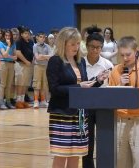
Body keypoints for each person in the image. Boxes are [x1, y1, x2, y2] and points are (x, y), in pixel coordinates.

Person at [46, 27, 108, 168]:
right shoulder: (55, 61)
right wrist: (79, 87)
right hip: (62, 113)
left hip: (80, 114)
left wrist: (97, 80)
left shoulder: (80, 62)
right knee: (61, 154)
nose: (76, 47)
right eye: (72, 44)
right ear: (63, 44)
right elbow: (54, 89)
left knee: (76, 154)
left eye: (78, 43)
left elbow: (84, 86)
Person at [108, 36, 139, 168]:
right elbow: (110, 97)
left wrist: (133, 99)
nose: (125, 58)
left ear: (136, 51)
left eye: (128, 54)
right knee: (121, 162)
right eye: (122, 55)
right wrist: (119, 85)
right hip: (121, 121)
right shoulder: (115, 71)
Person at [82, 26, 113, 168]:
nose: (95, 50)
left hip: (103, 108)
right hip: (85, 108)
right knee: (87, 145)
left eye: (98, 47)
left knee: (105, 142)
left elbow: (112, 87)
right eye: (92, 47)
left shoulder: (108, 64)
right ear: (86, 46)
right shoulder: (80, 63)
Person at [0, 29, 17, 109]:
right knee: (3, 84)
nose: (8, 37)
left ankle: (8, 101)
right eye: (6, 35)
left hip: (11, 65)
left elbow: (15, 57)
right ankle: (1, 102)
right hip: (3, 64)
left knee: (9, 85)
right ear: (3, 36)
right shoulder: (0, 43)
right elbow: (4, 55)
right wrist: (8, 46)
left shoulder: (14, 43)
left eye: (9, 36)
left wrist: (8, 56)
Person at [15, 26, 34, 109]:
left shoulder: (31, 42)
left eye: (28, 33)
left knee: (25, 84)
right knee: (20, 83)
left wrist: (31, 62)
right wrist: (26, 61)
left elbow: (33, 53)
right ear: (21, 34)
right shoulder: (19, 42)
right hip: (20, 64)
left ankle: (23, 101)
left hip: (29, 65)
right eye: (25, 33)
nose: (27, 35)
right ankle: (18, 101)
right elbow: (18, 53)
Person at [32, 31, 51, 108]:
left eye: (43, 37)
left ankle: (43, 101)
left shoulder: (47, 46)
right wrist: (46, 56)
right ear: (37, 37)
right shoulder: (35, 46)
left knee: (44, 84)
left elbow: (51, 56)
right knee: (37, 84)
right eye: (40, 37)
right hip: (38, 66)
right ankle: (36, 101)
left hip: (45, 67)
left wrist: (42, 56)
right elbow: (37, 58)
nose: (42, 38)